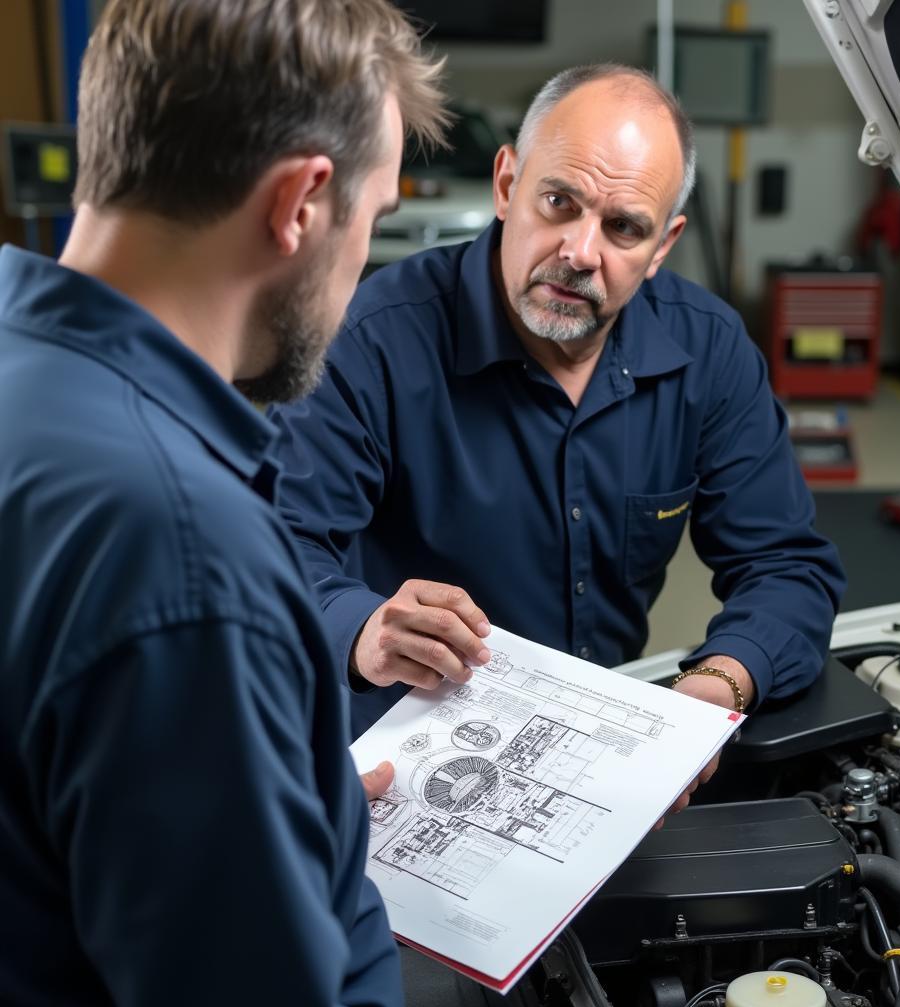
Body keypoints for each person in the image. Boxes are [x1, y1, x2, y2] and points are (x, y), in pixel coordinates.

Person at [0, 1, 447, 1007]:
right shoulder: (184, 548)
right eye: (372, 218)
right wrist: (327, 871)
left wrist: (287, 805)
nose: (360, 267)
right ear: (301, 203)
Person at [269, 64, 846, 801]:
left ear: (663, 245)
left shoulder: (710, 350)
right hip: (402, 760)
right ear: (507, 185)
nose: (580, 251)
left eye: (623, 227)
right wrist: (363, 628)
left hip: (596, 766)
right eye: (558, 201)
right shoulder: (372, 340)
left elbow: (788, 566)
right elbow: (274, 557)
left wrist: (717, 685)